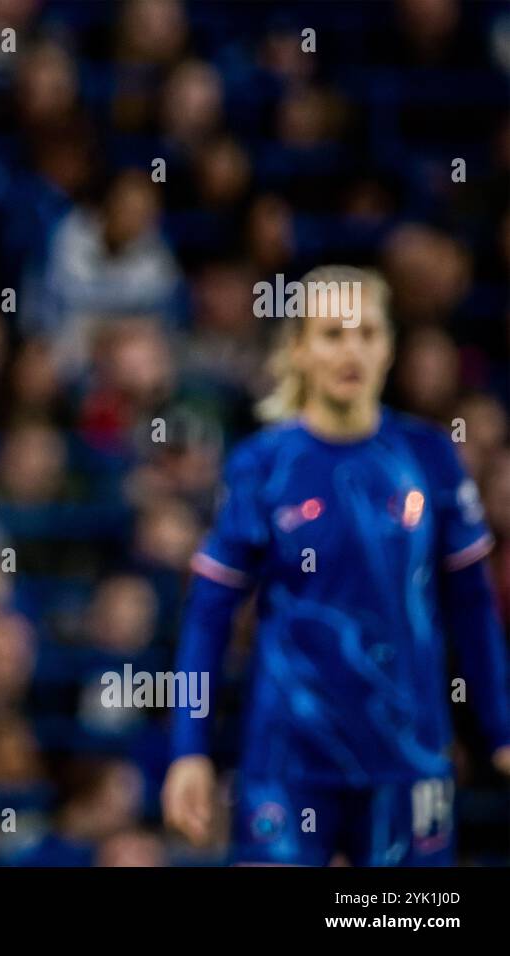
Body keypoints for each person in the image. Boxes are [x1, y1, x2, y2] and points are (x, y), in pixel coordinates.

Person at [161, 265, 510, 865]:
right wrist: (189, 748)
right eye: (332, 334)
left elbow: (472, 607)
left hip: (408, 758)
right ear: (298, 349)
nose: (351, 350)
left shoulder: (429, 458)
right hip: (287, 761)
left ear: (390, 345)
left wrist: (502, 728)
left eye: (367, 333)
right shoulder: (263, 466)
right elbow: (207, 618)